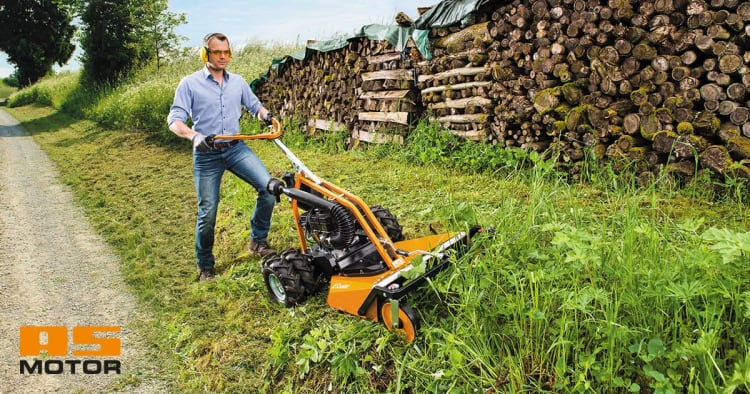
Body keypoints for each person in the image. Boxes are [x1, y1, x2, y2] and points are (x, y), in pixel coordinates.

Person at [167, 32, 277, 282]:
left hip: (236, 149)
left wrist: (267, 116)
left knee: (269, 189)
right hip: (207, 155)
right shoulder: (190, 83)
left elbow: (255, 106)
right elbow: (174, 121)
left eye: (226, 51)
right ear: (205, 54)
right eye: (217, 52)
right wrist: (194, 137)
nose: (223, 56)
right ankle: (205, 265)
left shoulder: (237, 82)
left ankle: (258, 241)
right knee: (208, 212)